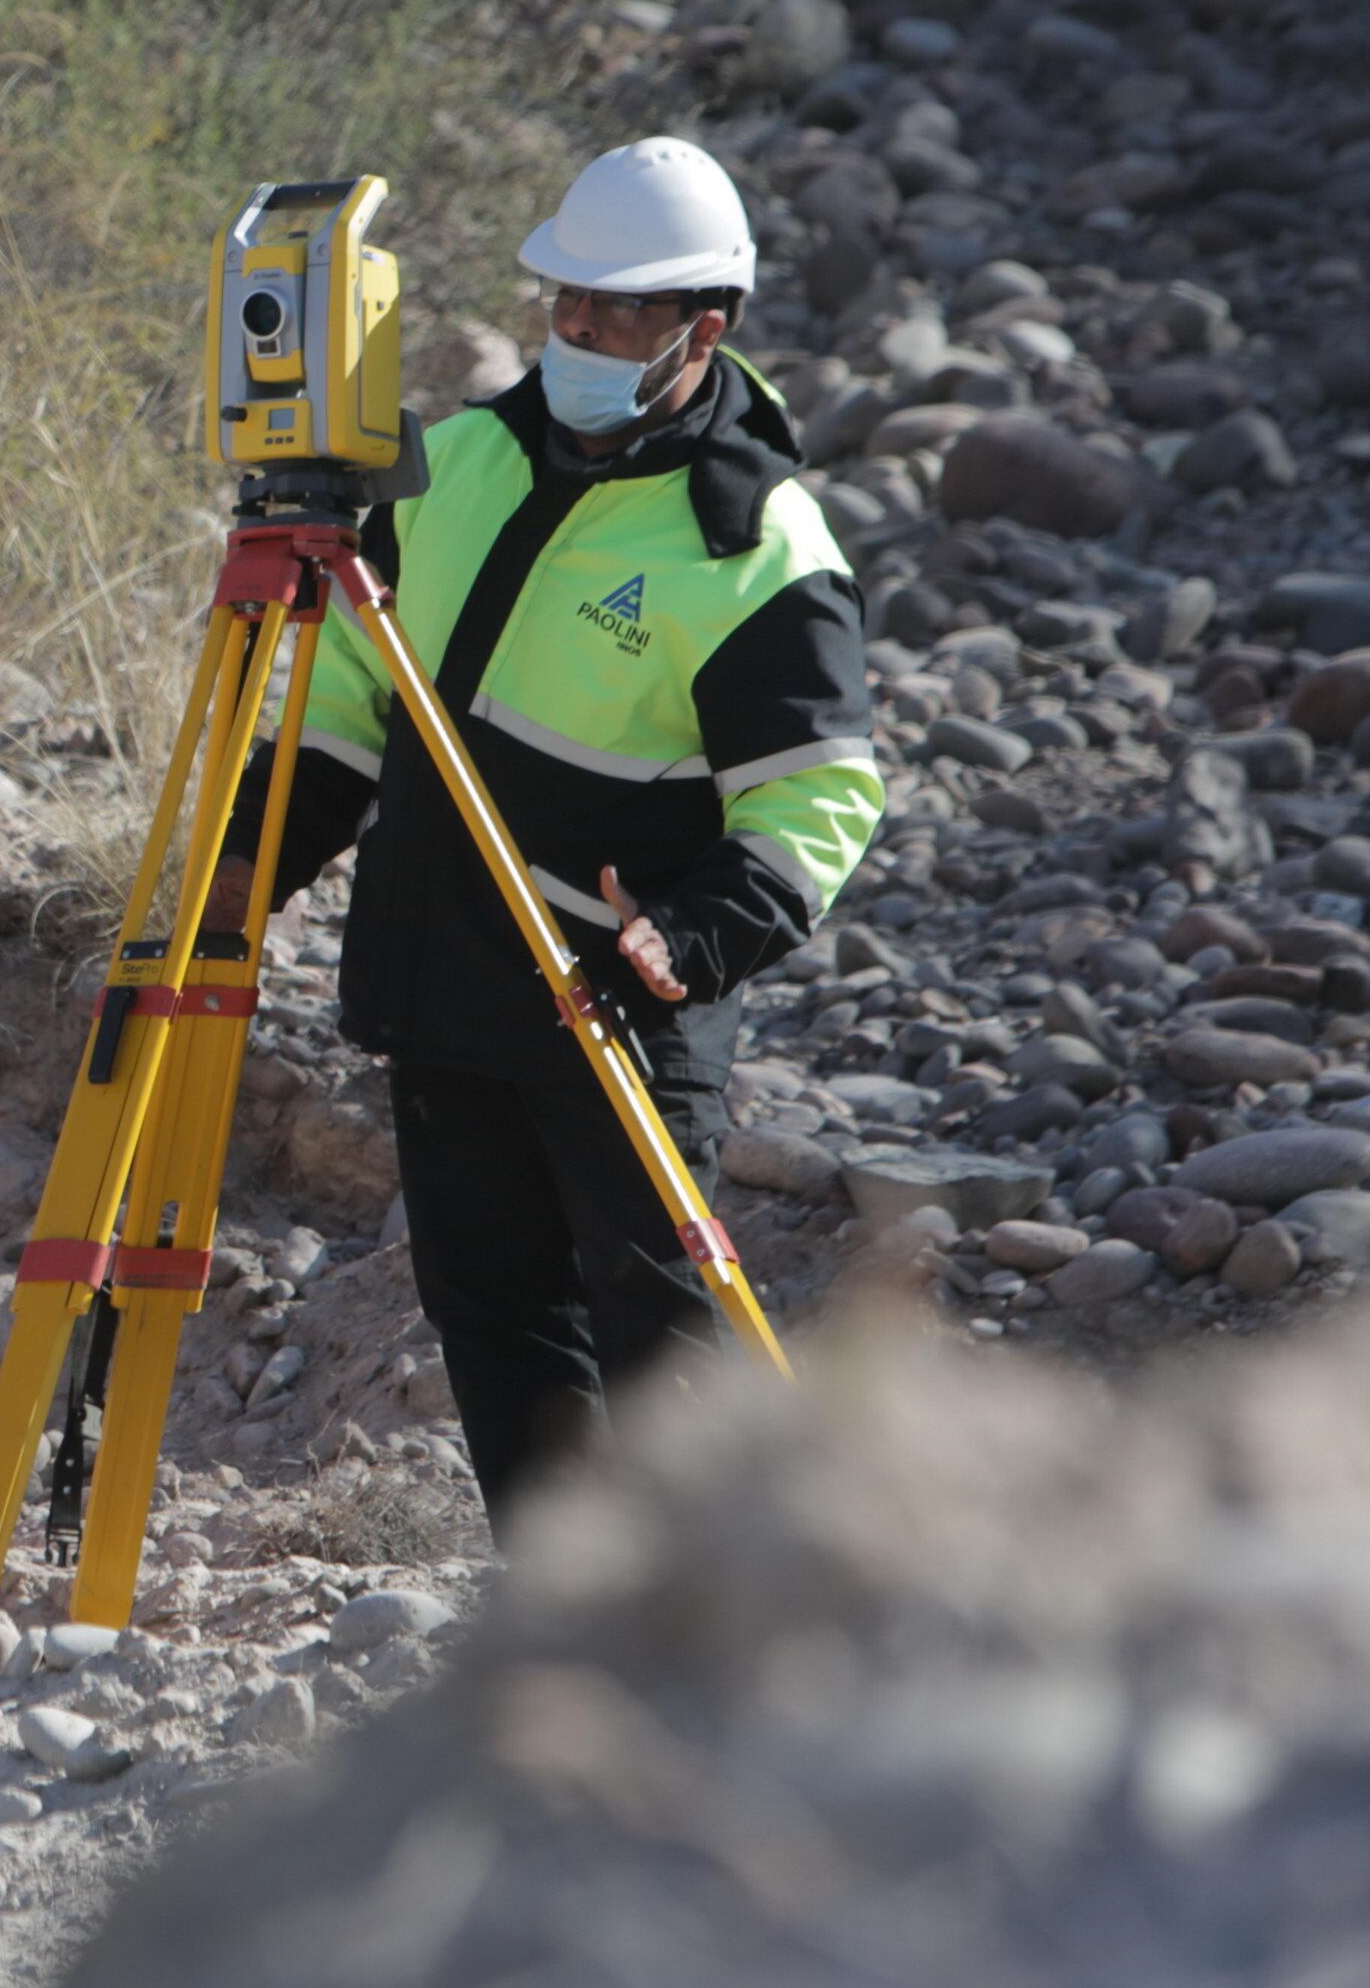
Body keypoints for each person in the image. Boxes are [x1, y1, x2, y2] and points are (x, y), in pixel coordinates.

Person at [208, 135, 879, 1528]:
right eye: (566, 301)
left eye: (617, 312)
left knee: (656, 1335)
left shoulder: (751, 544)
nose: (577, 331)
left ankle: (716, 1626)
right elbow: (348, 701)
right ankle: (555, 1616)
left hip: (618, 998)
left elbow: (819, 798)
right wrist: (245, 868)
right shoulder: (456, 464)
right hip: (447, 981)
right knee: (495, 1320)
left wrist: (692, 936)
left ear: (705, 328)